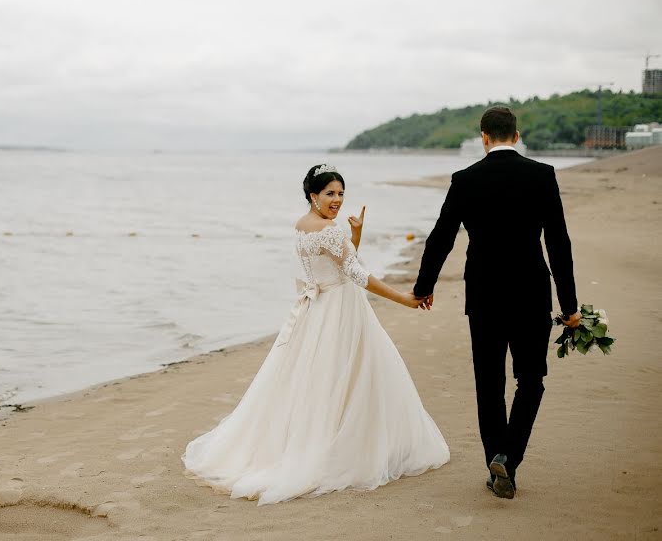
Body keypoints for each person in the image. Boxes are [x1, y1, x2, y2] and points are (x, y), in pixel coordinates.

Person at [181, 164, 450, 505]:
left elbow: (335, 263)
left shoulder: (303, 226)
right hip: (340, 310)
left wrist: (356, 235)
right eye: (330, 194)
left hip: (318, 310)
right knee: (348, 376)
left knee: (322, 379)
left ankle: (316, 441)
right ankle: (340, 449)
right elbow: (355, 273)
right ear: (313, 195)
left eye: (340, 194)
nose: (337, 200)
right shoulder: (329, 231)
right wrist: (405, 300)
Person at [413, 105, 579, 499]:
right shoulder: (541, 175)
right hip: (531, 293)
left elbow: (441, 237)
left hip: (485, 296)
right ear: (516, 136)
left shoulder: (465, 179)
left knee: (489, 384)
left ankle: (497, 460)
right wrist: (570, 305)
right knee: (531, 379)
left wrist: (424, 286)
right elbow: (558, 243)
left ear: (484, 138)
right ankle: (509, 457)